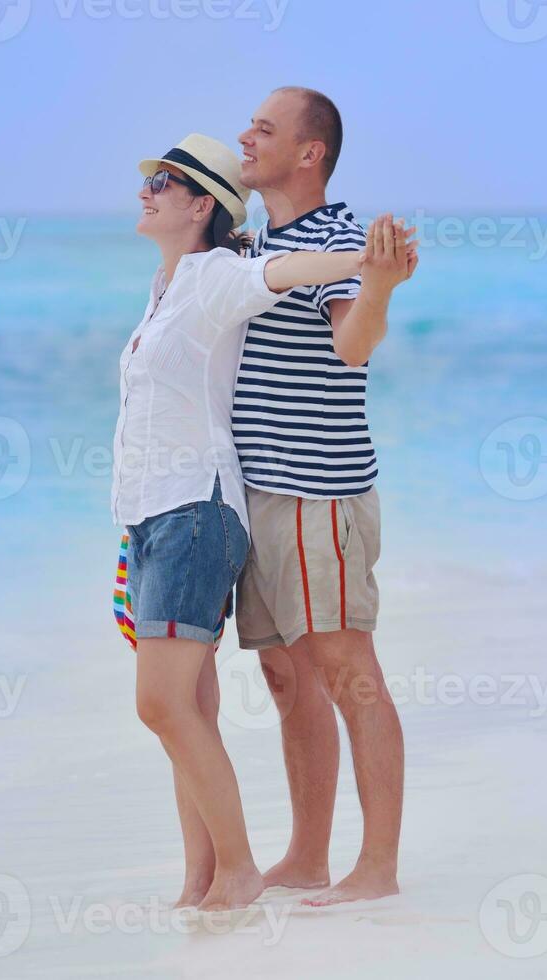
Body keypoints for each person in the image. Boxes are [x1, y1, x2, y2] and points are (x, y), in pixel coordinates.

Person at [114, 132, 415, 912]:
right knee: (267, 685)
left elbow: (318, 308)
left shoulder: (235, 268)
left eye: (165, 180)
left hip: (261, 498)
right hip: (192, 507)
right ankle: (251, 869)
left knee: (323, 677)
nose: (146, 188)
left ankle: (335, 868)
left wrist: (370, 273)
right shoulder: (181, 275)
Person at [232, 88, 417, 907]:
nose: (247, 136)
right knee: (285, 675)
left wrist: (375, 287)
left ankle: (375, 867)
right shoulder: (253, 246)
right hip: (254, 494)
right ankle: (308, 856)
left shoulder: (341, 239)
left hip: (316, 491)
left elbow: (351, 347)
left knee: (348, 670)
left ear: (309, 153)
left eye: (264, 129)